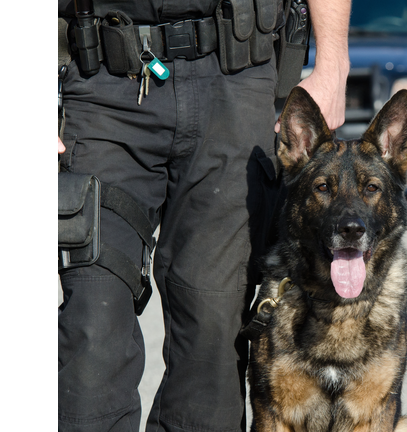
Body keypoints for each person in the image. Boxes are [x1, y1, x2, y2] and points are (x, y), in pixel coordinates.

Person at [57, 1, 350, 431]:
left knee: (213, 334)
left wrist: (333, 62)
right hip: (102, 83)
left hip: (236, 80)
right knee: (92, 325)